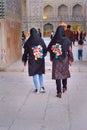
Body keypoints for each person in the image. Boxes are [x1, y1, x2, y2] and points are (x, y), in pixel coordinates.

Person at [47, 25, 73, 98]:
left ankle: (59, 92)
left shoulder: (54, 40)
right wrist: (70, 59)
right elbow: (70, 50)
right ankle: (64, 87)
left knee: (57, 75)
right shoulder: (67, 40)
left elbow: (49, 48)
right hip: (64, 59)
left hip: (56, 59)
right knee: (64, 73)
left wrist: (53, 53)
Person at [22, 28, 47, 93]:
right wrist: (42, 55)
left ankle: (37, 88)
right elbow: (45, 49)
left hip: (32, 59)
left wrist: (24, 60)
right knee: (40, 73)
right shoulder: (40, 40)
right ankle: (42, 87)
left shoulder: (28, 41)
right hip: (40, 59)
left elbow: (25, 52)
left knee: (34, 74)